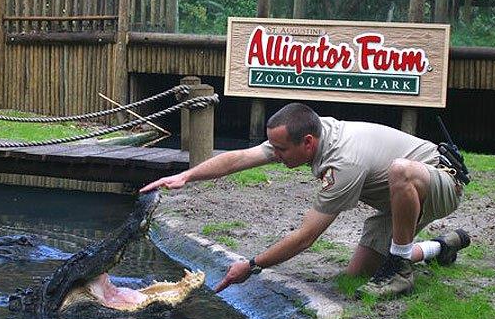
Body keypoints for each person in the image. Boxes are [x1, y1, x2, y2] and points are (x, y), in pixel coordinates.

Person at [140, 102, 470, 299]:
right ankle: (441, 247)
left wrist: (252, 266)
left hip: (440, 183)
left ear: (308, 143)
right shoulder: (303, 134)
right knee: (356, 275)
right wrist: (186, 176)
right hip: (395, 201)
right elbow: (240, 157)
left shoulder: (343, 161)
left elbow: (305, 237)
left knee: (401, 171)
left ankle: (400, 270)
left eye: (281, 150)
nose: (276, 155)